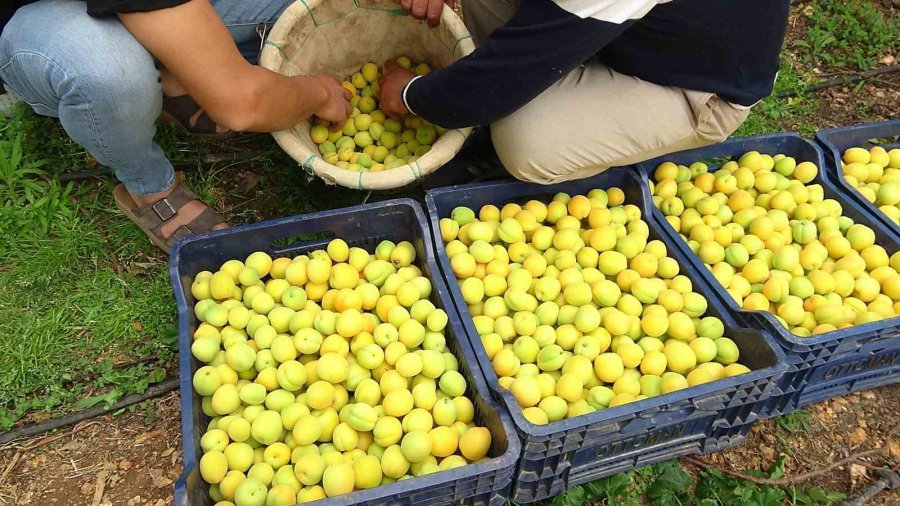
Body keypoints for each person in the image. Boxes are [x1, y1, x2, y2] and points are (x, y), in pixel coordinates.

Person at [0, 0, 352, 252]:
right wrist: (319, 94)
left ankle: (174, 75)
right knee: (110, 78)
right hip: (40, 17)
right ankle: (149, 185)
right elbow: (243, 103)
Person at [379, 0, 790, 184]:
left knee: (525, 140)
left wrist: (412, 95)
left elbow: (494, 85)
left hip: (695, 87)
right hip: (634, 31)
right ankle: (559, 75)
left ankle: (563, 124)